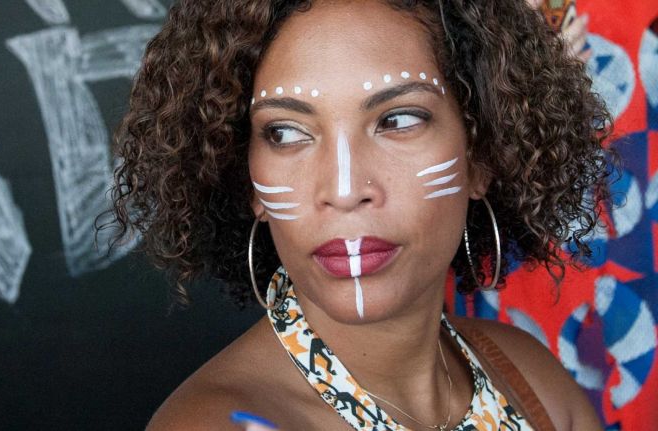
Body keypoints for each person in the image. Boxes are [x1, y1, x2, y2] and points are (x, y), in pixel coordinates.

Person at [110, 0, 613, 429]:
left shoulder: (533, 384)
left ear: (481, 156)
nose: (345, 190)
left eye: (397, 120)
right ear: (248, 183)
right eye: (286, 132)